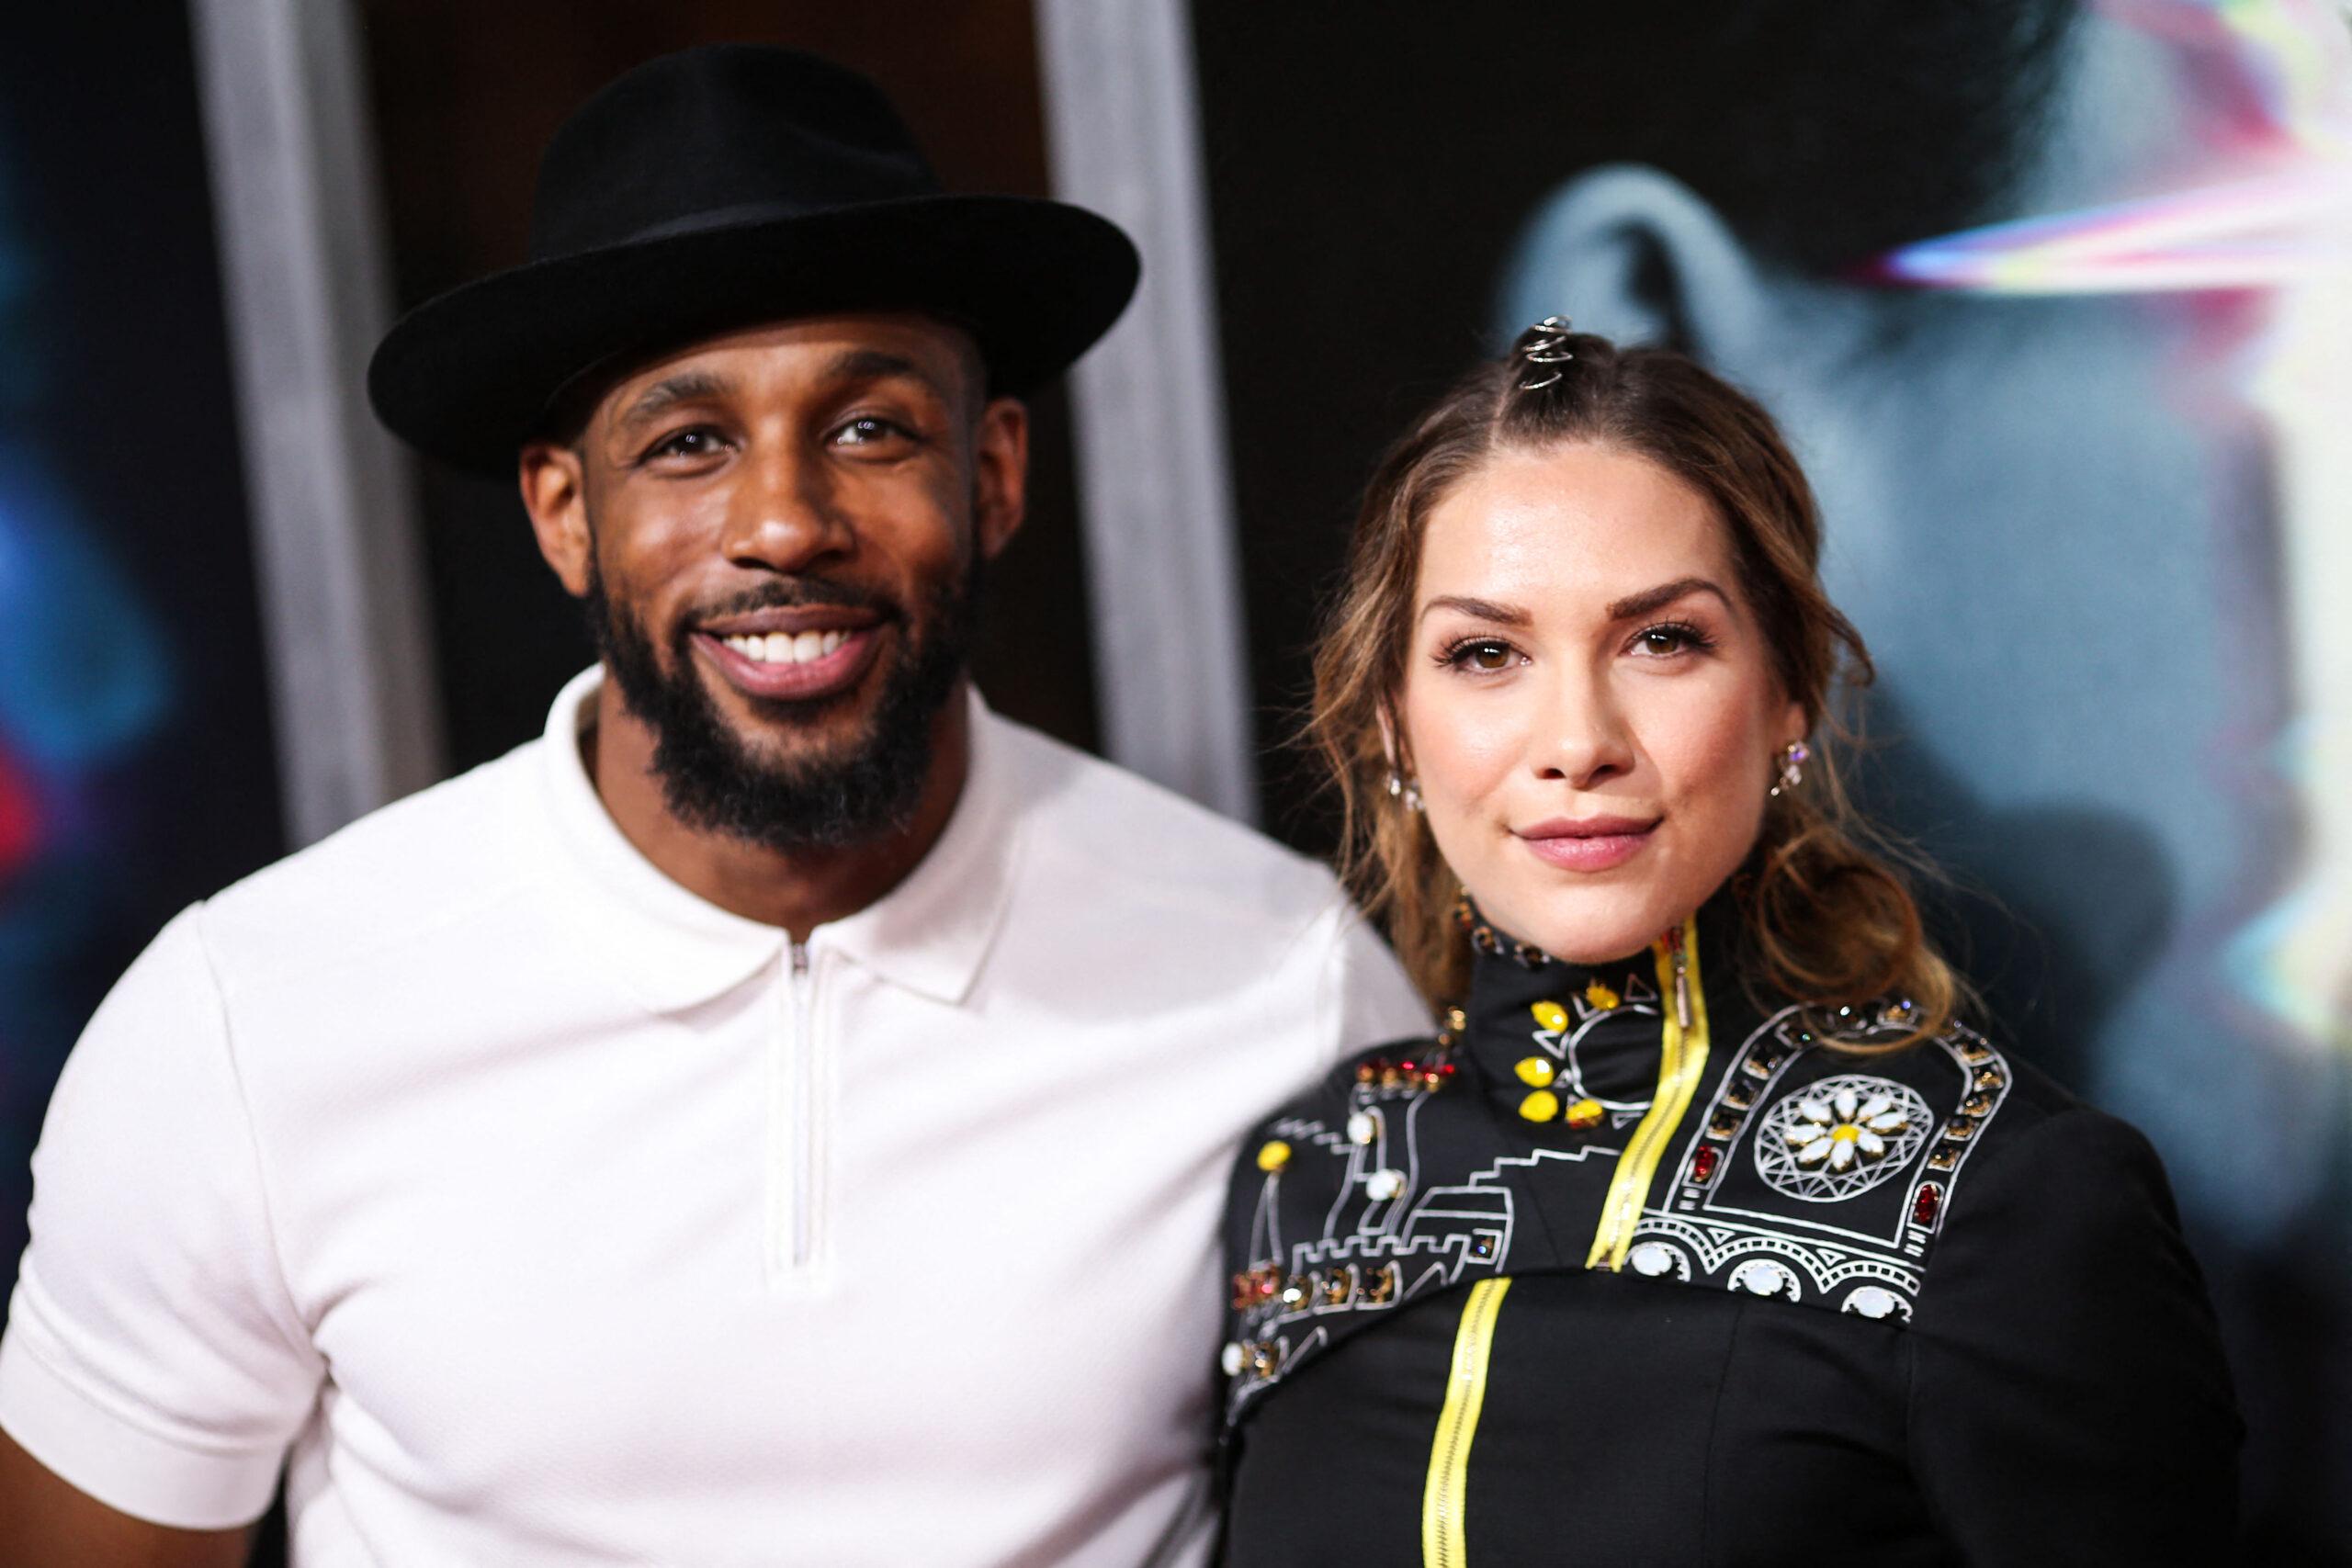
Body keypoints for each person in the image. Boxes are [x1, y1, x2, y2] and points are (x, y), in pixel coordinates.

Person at [0, 46, 1427, 1566]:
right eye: (687, 444)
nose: (784, 524)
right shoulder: (246, 1021)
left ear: (996, 472)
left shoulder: (1280, 983)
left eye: (872, 428)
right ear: (566, 515)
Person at [1214, 321, 2242, 1562]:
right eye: (1486, 653)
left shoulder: (2009, 1200)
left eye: (1663, 640)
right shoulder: (1309, 1174)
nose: (1577, 738)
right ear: (1393, 723)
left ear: (1788, 693)